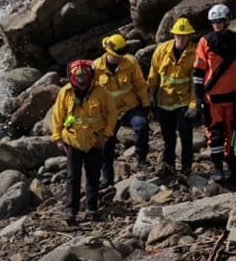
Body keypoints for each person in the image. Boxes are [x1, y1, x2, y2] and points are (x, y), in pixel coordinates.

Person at [51, 59, 117, 225]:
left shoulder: (101, 92)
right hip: (73, 141)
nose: (81, 83)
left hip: (95, 141)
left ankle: (91, 208)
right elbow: (57, 116)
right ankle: (70, 211)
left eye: (84, 80)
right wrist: (57, 138)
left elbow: (112, 114)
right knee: (73, 177)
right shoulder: (65, 92)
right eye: (78, 80)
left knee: (93, 176)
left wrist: (106, 136)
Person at [193, 3, 236, 186]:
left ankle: (232, 168)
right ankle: (218, 169)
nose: (216, 25)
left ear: (227, 21)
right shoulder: (205, 41)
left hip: (232, 97)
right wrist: (198, 96)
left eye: (219, 21)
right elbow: (198, 71)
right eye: (213, 22)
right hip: (212, 99)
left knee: (234, 133)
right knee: (216, 134)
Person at [93, 33, 151, 186]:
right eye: (117, 55)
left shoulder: (130, 63)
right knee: (107, 145)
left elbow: (140, 84)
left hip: (129, 107)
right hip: (108, 113)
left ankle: (141, 158)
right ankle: (107, 178)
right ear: (108, 52)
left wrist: (146, 104)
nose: (120, 58)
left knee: (141, 125)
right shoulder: (96, 67)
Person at [147, 17, 199, 177]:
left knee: (186, 136)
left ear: (189, 36)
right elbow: (153, 76)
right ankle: (168, 167)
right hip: (164, 102)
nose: (180, 38)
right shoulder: (162, 51)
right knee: (168, 139)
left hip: (183, 102)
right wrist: (149, 98)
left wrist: (193, 105)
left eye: (183, 36)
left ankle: (186, 168)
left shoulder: (195, 54)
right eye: (177, 35)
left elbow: (195, 84)